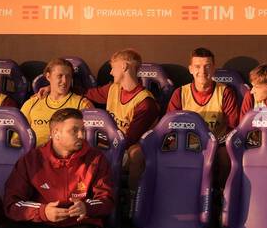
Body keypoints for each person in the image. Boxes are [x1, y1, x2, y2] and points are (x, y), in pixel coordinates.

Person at [80, 49, 160, 194]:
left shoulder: (145, 102)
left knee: (135, 154)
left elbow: (129, 139)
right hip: (111, 143)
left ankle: (132, 198)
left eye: (113, 67)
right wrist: (50, 88)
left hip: (127, 147)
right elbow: (85, 94)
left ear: (124, 67)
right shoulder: (113, 89)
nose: (111, 72)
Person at [166, 48, 240, 188]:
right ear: (190, 69)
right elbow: (169, 126)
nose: (203, 71)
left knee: (226, 157)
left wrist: (213, 144)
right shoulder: (180, 93)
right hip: (187, 143)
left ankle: (221, 194)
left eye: (207, 66)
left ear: (213, 69)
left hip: (218, 144)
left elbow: (233, 127)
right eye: (197, 66)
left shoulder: (225, 93)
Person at [19, 58, 91, 147]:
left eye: (68, 76)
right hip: (35, 156)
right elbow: (16, 139)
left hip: (66, 157)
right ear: (48, 77)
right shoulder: (31, 103)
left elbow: (89, 140)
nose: (64, 81)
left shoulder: (82, 104)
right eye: (59, 76)